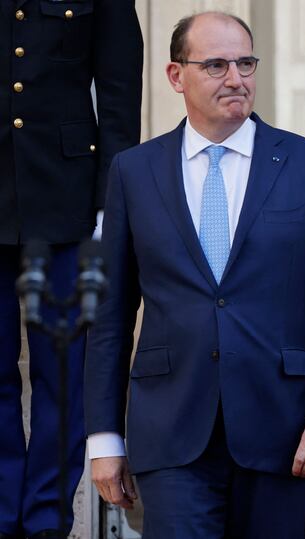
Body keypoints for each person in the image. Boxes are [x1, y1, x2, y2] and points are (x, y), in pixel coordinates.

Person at [83, 11, 305, 538]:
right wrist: (104, 437)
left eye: (245, 63)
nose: (236, 78)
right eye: (215, 65)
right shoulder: (134, 171)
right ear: (176, 76)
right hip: (171, 434)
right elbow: (110, 315)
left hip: (287, 432)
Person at [0, 0, 143, 537]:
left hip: (66, 196)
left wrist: (112, 201)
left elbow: (119, 85)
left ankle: (44, 523)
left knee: (62, 372)